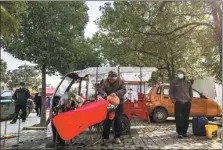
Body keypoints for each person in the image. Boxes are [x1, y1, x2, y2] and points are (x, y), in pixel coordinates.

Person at [98, 71, 126, 144]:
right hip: (108, 103)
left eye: (113, 80)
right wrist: (103, 93)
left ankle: (117, 137)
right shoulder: (105, 81)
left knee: (118, 120)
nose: (111, 81)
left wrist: (116, 93)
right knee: (107, 120)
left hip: (119, 103)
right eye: (110, 79)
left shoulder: (120, 81)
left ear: (116, 78)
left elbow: (124, 90)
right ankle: (105, 137)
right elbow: (101, 89)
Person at [169, 68, 193, 138]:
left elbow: (191, 92)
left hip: (187, 102)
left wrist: (190, 100)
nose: (179, 74)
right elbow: (171, 93)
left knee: (186, 118)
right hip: (178, 102)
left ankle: (184, 132)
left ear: (184, 74)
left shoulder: (188, 82)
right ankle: (180, 133)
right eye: (178, 73)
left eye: (181, 73)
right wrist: (174, 100)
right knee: (179, 118)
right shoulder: (174, 82)